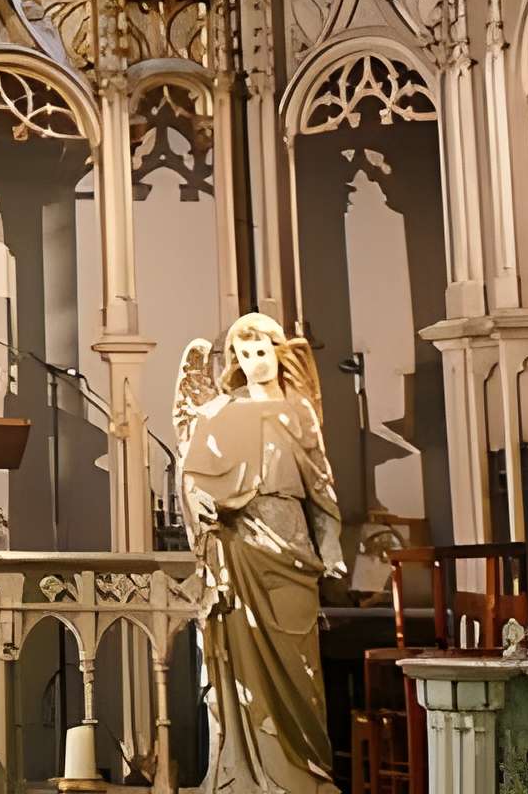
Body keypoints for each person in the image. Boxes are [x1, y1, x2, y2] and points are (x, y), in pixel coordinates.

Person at [176, 311, 345, 792]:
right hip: (239, 542)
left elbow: (320, 482)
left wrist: (329, 544)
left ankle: (305, 773)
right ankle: (246, 772)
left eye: (262, 351)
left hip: (289, 542)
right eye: (244, 354)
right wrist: (205, 506)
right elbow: (194, 473)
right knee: (241, 661)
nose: (254, 362)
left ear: (278, 352)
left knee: (300, 667)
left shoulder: (299, 411)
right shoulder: (221, 411)